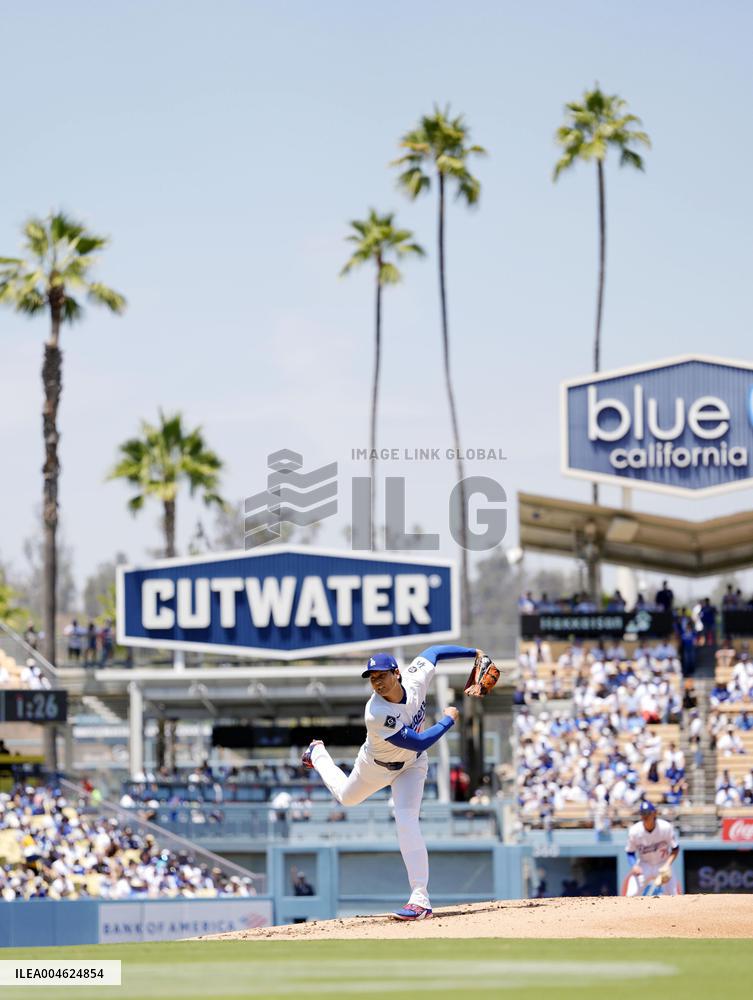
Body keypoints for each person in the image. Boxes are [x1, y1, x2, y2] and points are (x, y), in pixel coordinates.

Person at [301, 644, 480, 921]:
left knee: (406, 821)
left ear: (396, 673)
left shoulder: (415, 678)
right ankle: (317, 753)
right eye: (372, 678)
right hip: (375, 767)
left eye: (382, 675)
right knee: (347, 798)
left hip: (412, 765)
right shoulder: (376, 711)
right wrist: (447, 720)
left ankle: (420, 900)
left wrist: (474, 653)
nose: (377, 682)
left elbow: (434, 652)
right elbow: (419, 740)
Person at [624, 801, 680, 896]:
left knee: (673, 894)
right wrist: (634, 865)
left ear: (654, 813)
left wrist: (667, 864)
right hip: (644, 865)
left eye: (647, 813)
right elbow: (630, 852)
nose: (645, 816)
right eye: (643, 813)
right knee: (631, 894)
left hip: (662, 864)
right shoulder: (634, 831)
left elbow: (675, 848)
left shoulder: (666, 827)